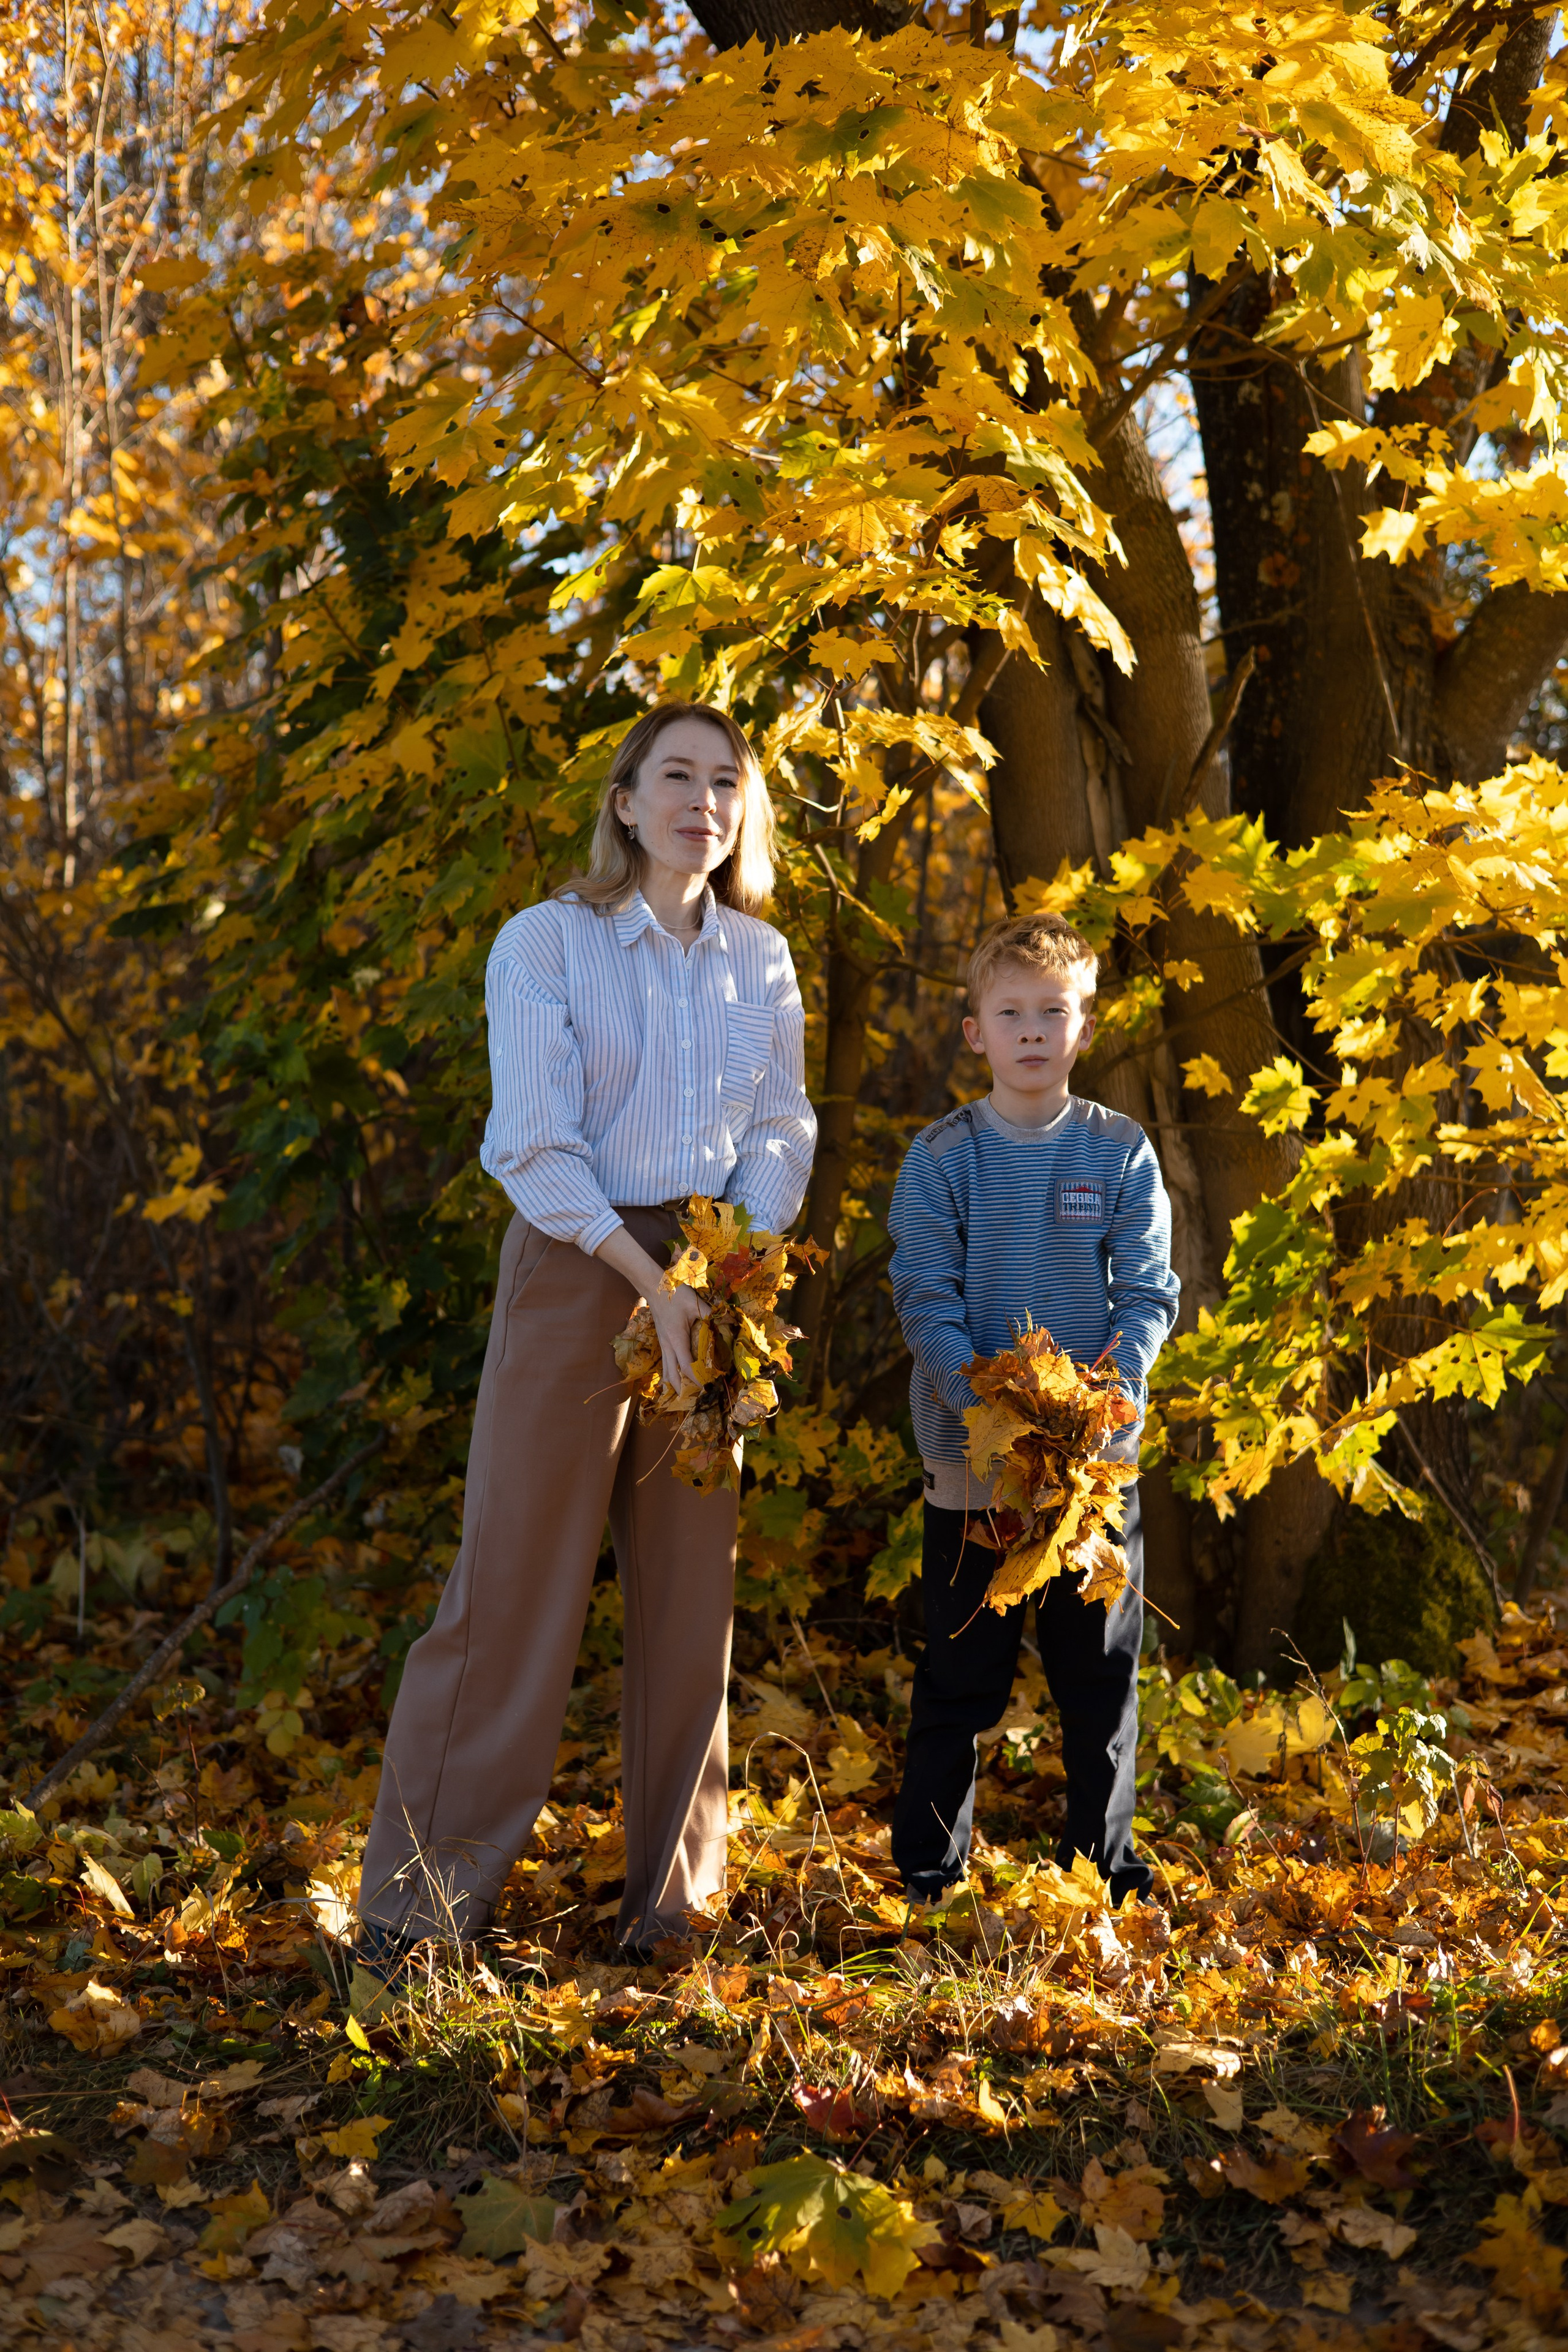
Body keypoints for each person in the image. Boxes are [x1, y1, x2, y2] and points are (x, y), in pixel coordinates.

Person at [356, 703, 816, 1963]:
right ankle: (418, 1915)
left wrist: (719, 1269)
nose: (702, 801)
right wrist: (644, 1280)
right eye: (676, 775)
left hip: (712, 1274)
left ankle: (671, 1907)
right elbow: (533, 1144)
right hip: (576, 1260)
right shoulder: (547, 943)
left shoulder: (757, 962)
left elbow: (782, 1125)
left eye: (726, 781)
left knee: (687, 1602)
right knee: (512, 1589)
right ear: (624, 802)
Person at [887, 911, 1180, 1909]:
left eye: (1053, 1012)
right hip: (974, 1464)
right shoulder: (942, 1158)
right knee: (961, 1680)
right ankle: (929, 1877)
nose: (1031, 1031)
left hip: (1090, 1471)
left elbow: (1147, 1293)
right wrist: (989, 1404)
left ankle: (1105, 1874)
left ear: (1083, 1029)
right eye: (1009, 1012)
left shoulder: (1119, 1151)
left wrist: (1110, 1390)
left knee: (1098, 1677)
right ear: (975, 1032)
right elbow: (924, 1295)